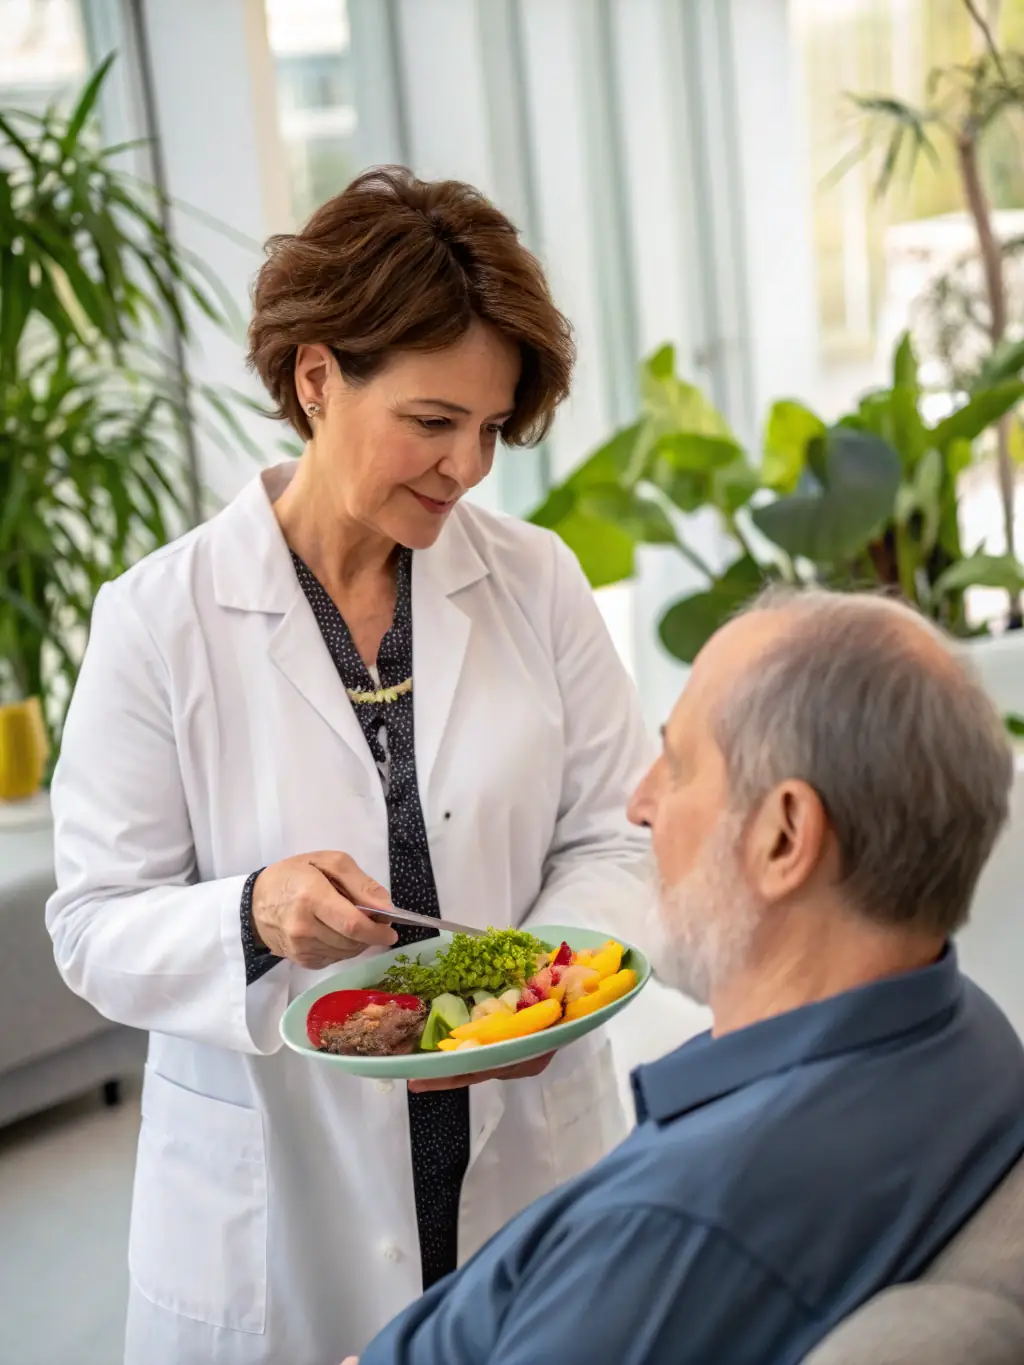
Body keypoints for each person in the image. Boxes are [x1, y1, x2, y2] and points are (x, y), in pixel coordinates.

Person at [45, 168, 652, 1365]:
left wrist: (546, 987)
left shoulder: (534, 581)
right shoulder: (159, 619)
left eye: (490, 429)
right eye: (432, 422)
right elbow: (92, 924)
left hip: (525, 1138)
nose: (467, 466)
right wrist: (253, 914)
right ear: (317, 378)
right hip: (280, 1196)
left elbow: (617, 831)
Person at [348, 587, 1024, 1365]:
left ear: (784, 837)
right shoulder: (973, 1035)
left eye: (677, 764)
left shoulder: (670, 1233)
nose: (639, 805)